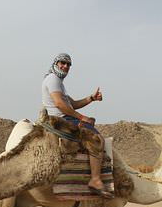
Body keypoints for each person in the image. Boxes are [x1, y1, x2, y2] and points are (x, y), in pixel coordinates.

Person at [42, 53, 111, 198]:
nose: (65, 66)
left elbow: (71, 104)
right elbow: (60, 104)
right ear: (55, 63)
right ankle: (95, 180)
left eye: (68, 65)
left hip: (65, 117)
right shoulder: (53, 79)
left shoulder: (58, 82)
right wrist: (82, 118)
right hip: (61, 119)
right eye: (62, 63)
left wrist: (91, 98)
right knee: (97, 139)